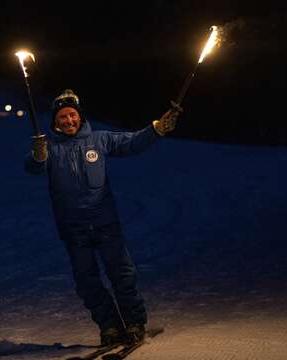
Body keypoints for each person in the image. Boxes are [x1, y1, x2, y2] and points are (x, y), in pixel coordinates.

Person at [24, 89, 181, 346]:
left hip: (105, 224)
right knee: (86, 282)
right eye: (62, 117)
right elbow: (32, 167)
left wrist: (157, 128)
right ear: (55, 121)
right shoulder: (50, 148)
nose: (68, 121)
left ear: (80, 116)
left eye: (72, 115)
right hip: (74, 230)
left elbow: (131, 143)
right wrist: (37, 155)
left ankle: (133, 323)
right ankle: (109, 326)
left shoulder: (99, 139)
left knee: (122, 274)